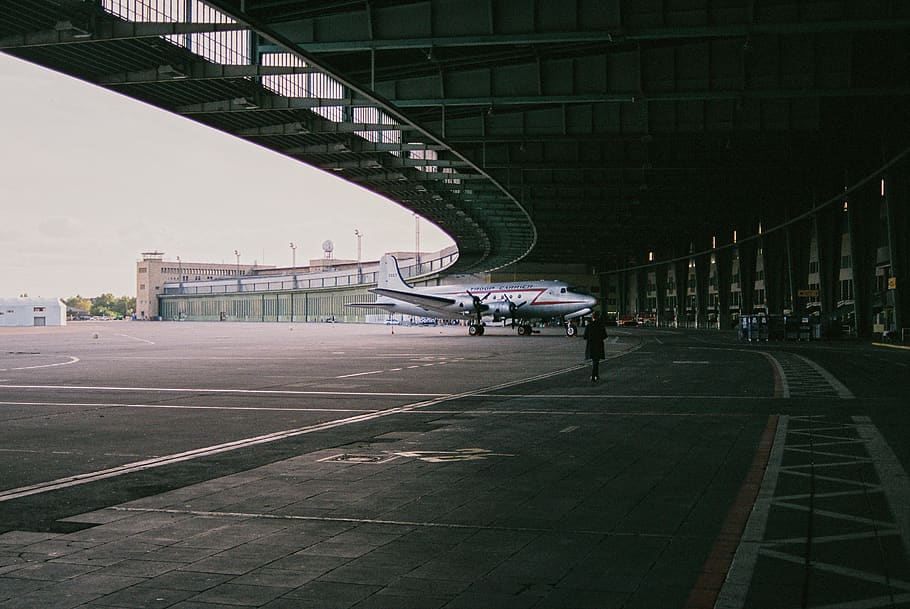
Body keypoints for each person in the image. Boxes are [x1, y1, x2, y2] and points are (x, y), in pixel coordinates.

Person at [583, 311, 607, 382]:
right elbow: (604, 336)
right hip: (599, 345)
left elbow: (585, 336)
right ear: (598, 317)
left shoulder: (589, 326)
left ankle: (595, 375)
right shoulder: (601, 325)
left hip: (591, 345)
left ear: (592, 317)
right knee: (596, 361)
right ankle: (595, 375)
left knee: (594, 361)